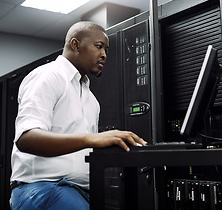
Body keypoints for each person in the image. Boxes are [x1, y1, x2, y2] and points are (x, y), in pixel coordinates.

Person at [9, 21, 147, 210]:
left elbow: (86, 147)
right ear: (75, 45)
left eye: (106, 49)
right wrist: (93, 139)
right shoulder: (48, 76)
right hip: (43, 188)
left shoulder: (91, 100)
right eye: (98, 46)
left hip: (80, 190)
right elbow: (27, 139)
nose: (104, 54)